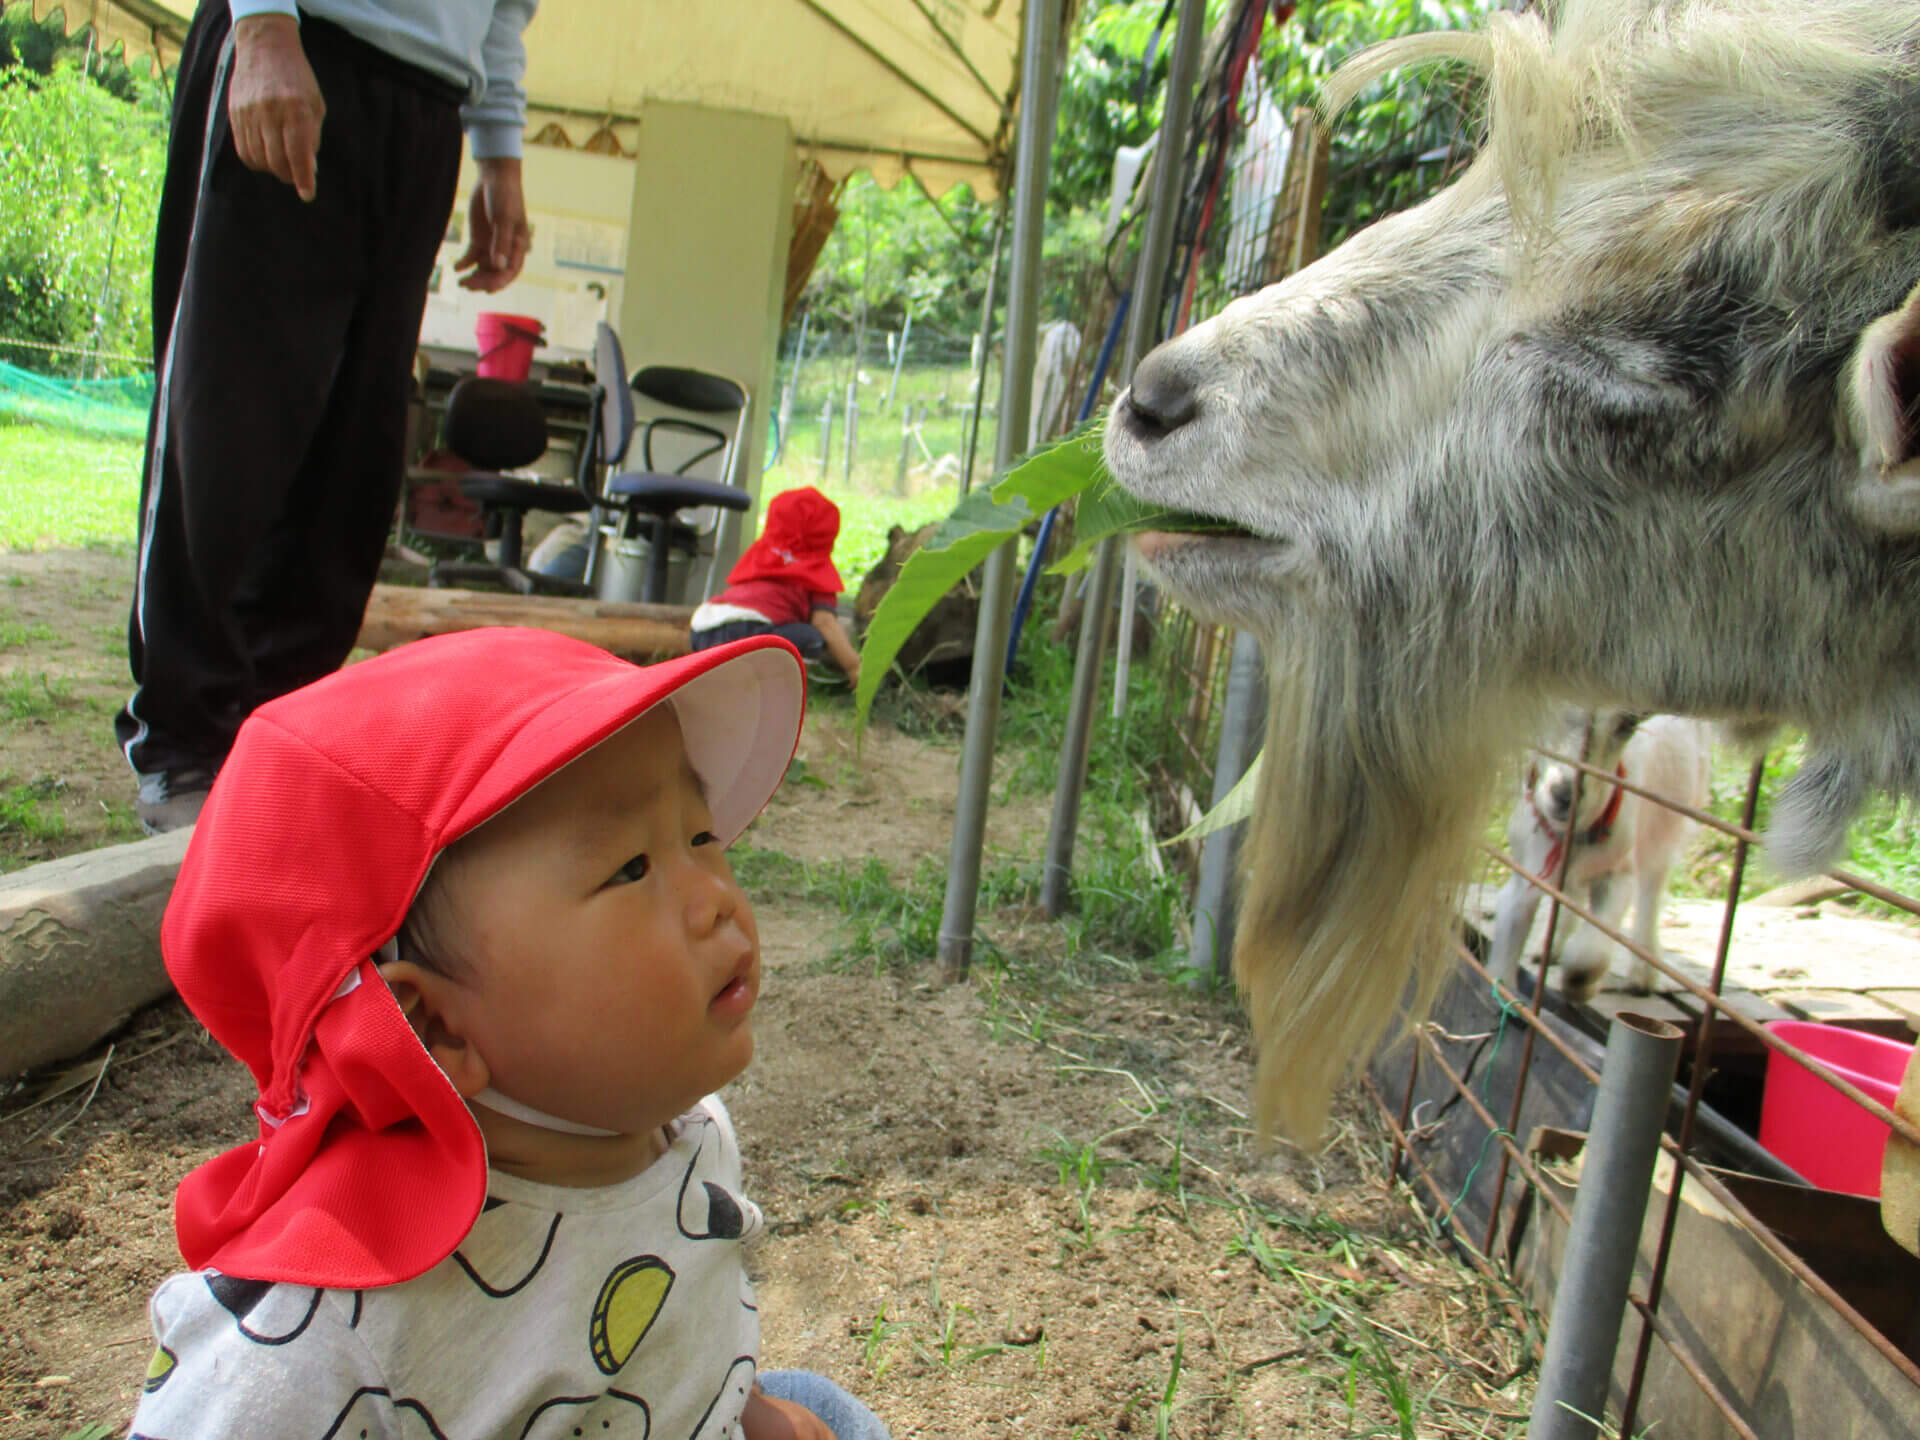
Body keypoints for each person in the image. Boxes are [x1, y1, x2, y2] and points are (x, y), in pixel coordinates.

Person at [126, 627, 890, 1440]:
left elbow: (691, 1337)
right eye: (631, 868)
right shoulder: (328, 1333)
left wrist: (754, 1414)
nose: (717, 898)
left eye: (701, 836)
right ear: (433, 1027)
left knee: (825, 1407)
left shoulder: (680, 1126)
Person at [118, 0, 539, 834]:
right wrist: (262, 24)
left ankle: (277, 735)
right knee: (231, 420)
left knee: (357, 453)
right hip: (303, 43)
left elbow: (506, 7)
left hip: (430, 103)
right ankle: (183, 740)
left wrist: (500, 149)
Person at [689, 487, 862, 689]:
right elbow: (824, 623)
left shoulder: (761, 555)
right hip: (753, 634)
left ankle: (716, 674)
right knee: (812, 638)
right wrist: (853, 665)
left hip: (704, 627)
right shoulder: (815, 572)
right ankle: (781, 686)